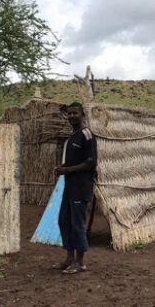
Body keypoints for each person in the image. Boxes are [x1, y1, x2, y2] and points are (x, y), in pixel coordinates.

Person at [53, 102, 97, 274]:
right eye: (69, 113)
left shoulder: (87, 135)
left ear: (82, 114)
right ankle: (69, 258)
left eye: (75, 113)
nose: (71, 116)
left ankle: (80, 262)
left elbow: (91, 162)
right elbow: (74, 162)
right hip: (69, 187)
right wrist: (62, 167)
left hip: (81, 187)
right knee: (64, 222)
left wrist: (67, 170)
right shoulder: (73, 136)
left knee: (77, 225)